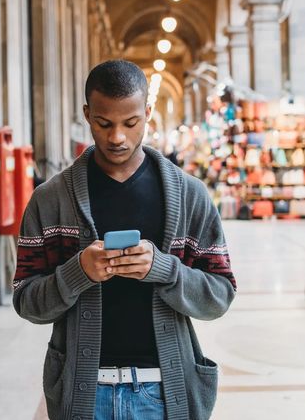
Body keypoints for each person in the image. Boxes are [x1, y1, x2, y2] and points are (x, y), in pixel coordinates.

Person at [12, 60, 236, 420]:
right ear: (87, 114)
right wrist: (77, 272)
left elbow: (219, 295)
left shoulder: (190, 195)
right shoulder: (49, 200)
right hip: (84, 394)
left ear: (147, 113)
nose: (117, 137)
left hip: (165, 393)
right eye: (104, 123)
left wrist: (164, 269)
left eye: (131, 123)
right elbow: (26, 301)